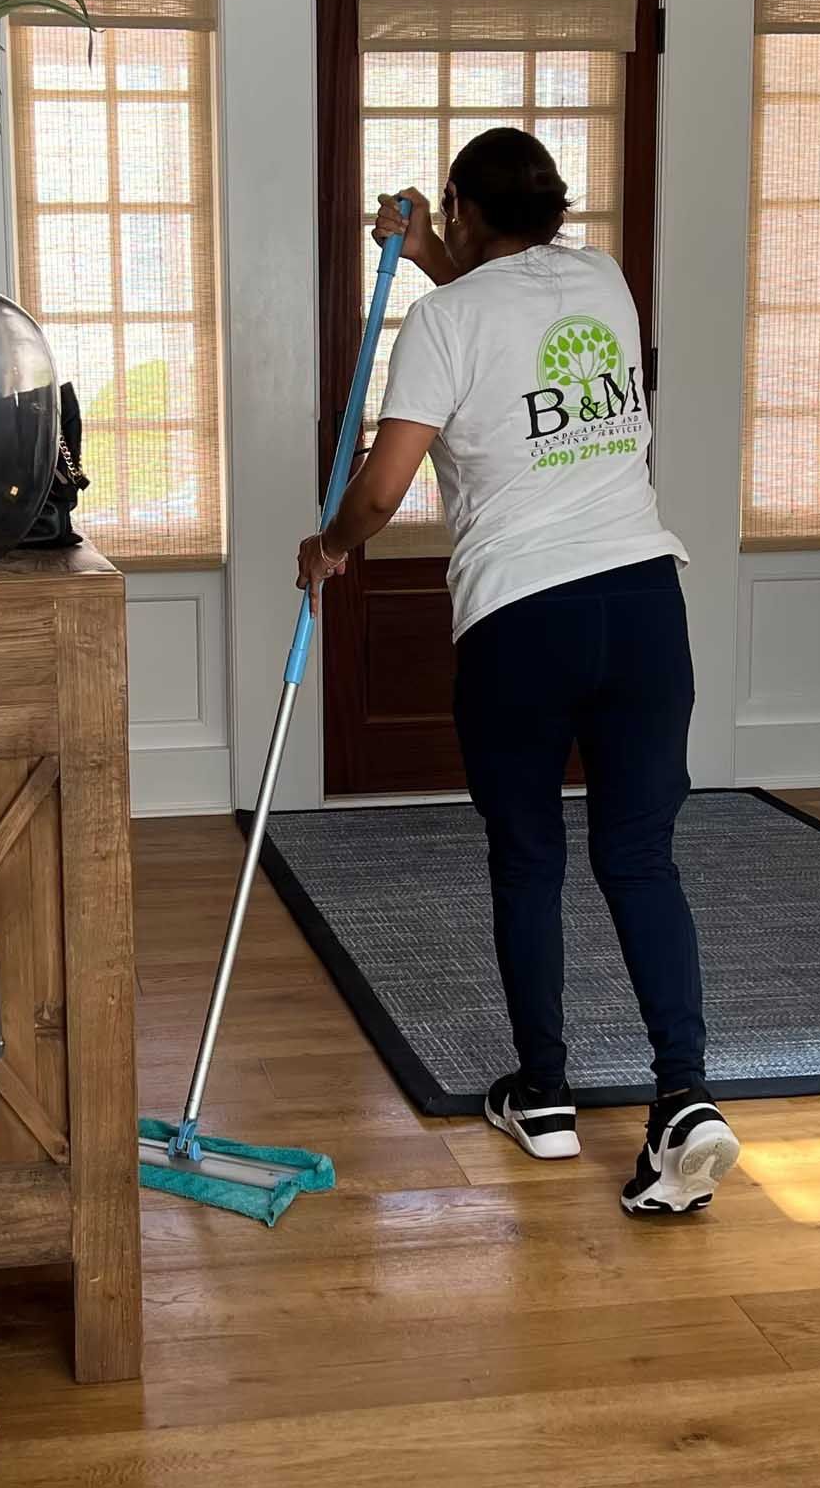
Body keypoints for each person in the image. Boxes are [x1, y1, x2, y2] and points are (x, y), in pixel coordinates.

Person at [295, 127, 739, 1216]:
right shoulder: (603, 280)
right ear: (549, 208)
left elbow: (384, 486)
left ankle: (542, 1096)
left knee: (528, 854)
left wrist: (330, 546)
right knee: (640, 857)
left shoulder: (439, 320)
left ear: (458, 208)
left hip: (521, 616)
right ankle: (682, 1097)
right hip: (643, 604)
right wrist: (431, 244)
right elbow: (499, 299)